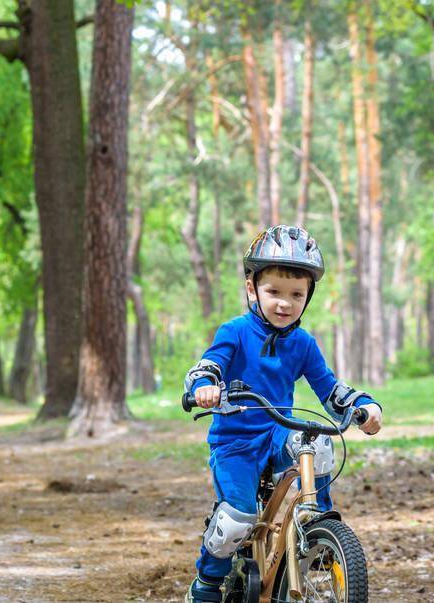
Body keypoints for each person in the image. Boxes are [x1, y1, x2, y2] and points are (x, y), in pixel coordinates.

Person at [183, 225, 383, 603]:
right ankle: (207, 583)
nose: (284, 303)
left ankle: (319, 529)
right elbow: (208, 365)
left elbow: (329, 388)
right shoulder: (236, 331)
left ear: (307, 298)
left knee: (319, 441)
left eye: (296, 294)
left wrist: (362, 405)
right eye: (273, 291)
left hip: (278, 434)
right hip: (236, 442)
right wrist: (204, 387)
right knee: (236, 521)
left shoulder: (304, 343)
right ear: (252, 289)